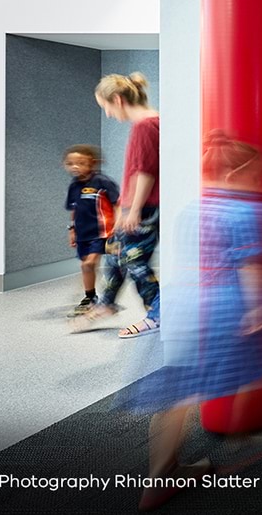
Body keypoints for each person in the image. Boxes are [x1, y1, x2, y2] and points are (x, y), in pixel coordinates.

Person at [119, 132, 262, 511]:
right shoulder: (245, 212)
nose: (258, 185)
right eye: (255, 177)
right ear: (233, 176)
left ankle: (162, 473)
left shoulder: (193, 208)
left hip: (181, 307)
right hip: (220, 311)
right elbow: (252, 266)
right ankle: (254, 428)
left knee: (176, 395)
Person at [73, 72, 162, 338]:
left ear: (118, 100)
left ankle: (159, 313)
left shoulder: (145, 126)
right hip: (134, 206)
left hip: (143, 208)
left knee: (135, 262)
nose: (109, 114)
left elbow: (145, 172)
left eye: (107, 107)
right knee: (115, 255)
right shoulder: (153, 122)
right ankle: (105, 304)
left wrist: (133, 210)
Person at [62, 144, 118, 317]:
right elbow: (74, 210)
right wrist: (72, 229)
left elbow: (117, 205)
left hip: (101, 233)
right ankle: (90, 297)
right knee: (85, 266)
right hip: (82, 234)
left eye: (80, 162)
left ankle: (102, 299)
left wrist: (118, 228)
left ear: (92, 163)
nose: (75, 167)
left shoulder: (103, 182)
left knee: (89, 264)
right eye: (70, 163)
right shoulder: (73, 186)